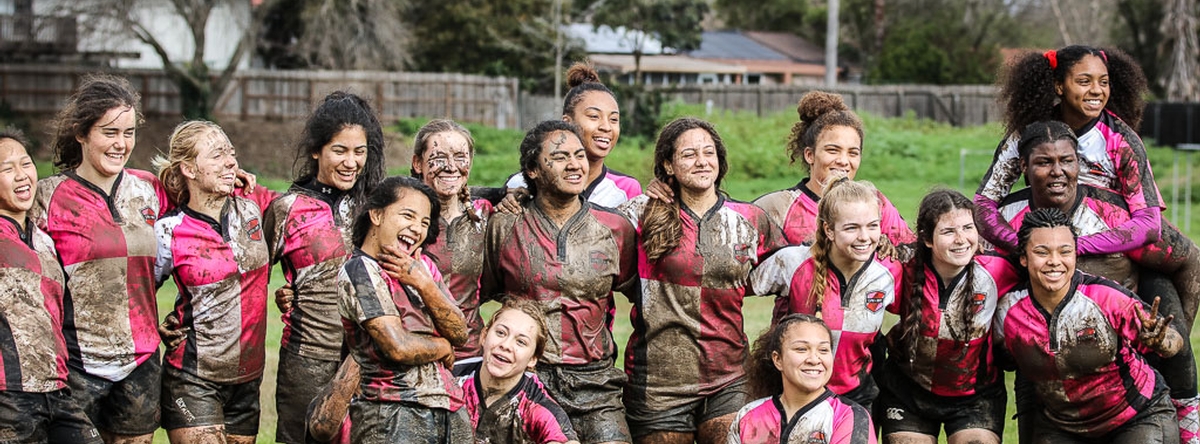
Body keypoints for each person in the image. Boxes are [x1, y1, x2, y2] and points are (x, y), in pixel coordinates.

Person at [994, 120, 1200, 442]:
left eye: (1067, 161)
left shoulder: (1116, 215)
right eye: (1044, 162)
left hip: (1121, 352)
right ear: (1024, 166)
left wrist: (1169, 339)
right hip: (1048, 360)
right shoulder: (1005, 219)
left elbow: (1188, 259)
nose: (1057, 172)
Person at [615, 117, 786, 444]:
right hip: (657, 383)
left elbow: (794, 268)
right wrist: (518, 194)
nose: (702, 161)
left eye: (709, 153)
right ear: (668, 164)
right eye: (689, 154)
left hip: (729, 377)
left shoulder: (750, 219)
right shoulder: (640, 213)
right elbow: (590, 234)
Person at [31, 74, 171, 444]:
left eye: (129, 133)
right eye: (110, 132)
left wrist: (235, 178)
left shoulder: (150, 189)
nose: (121, 144)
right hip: (76, 365)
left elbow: (199, 214)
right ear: (81, 133)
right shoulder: (46, 198)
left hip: (141, 362)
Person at [480, 120, 638, 444]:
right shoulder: (505, 225)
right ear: (533, 170)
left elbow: (641, 294)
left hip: (596, 384)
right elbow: (481, 292)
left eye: (579, 155)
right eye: (560, 156)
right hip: (523, 380)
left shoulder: (615, 228)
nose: (575, 164)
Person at [993, 208, 1184, 443]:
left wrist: (1161, 341)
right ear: (1023, 258)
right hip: (1061, 426)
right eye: (1042, 252)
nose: (1054, 262)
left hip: (1137, 415)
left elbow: (1174, 341)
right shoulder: (1007, 310)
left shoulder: (1104, 297)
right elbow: (1000, 358)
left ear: (1075, 255)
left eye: (1065, 252)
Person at [262, 90, 386, 444]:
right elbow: (249, 279)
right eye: (340, 150)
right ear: (317, 150)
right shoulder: (287, 209)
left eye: (360, 152)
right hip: (307, 358)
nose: (351, 162)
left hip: (368, 360)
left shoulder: (376, 208)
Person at [153, 121, 278, 443]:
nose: (231, 162)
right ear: (189, 169)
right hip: (193, 376)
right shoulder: (168, 231)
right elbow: (135, 292)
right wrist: (154, 327)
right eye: (218, 155)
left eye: (231, 153)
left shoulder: (253, 205)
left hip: (248, 378)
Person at [749, 178, 904, 413]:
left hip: (857, 397)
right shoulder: (793, 262)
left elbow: (918, 312)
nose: (864, 236)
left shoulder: (889, 270)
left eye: (872, 226)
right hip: (794, 393)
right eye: (852, 228)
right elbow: (733, 289)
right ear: (828, 230)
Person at [876, 189, 1019, 444]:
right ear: (927, 239)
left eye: (967, 228)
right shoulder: (904, 268)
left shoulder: (998, 269)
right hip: (908, 390)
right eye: (948, 231)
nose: (961, 239)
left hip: (976, 395)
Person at [337, 176, 470, 443]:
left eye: (424, 222)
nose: (416, 229)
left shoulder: (422, 268)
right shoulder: (360, 270)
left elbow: (460, 334)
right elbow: (397, 346)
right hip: (392, 411)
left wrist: (424, 284)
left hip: (451, 407)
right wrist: (442, 347)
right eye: (408, 216)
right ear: (376, 215)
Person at [0, 129, 103, 444]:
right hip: (8, 394)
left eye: (26, 164)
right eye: (7, 169)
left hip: (56, 387)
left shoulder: (43, 237)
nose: (22, 175)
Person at [411, 119, 494, 375]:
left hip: (469, 355)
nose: (451, 166)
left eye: (460, 157)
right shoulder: (403, 217)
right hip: (417, 351)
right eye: (439, 158)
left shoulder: (483, 214)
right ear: (418, 163)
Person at [497, 62, 641, 208]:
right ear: (567, 122)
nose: (606, 127)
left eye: (614, 119)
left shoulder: (626, 190)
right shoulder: (520, 184)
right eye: (594, 116)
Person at [730, 313, 876, 444]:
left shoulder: (849, 416)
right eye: (801, 349)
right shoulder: (748, 416)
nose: (814, 359)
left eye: (823, 350)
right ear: (778, 359)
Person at [461, 297, 579, 444]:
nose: (506, 345)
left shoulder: (536, 405)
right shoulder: (452, 379)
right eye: (501, 333)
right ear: (484, 336)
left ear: (533, 359)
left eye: (521, 342)